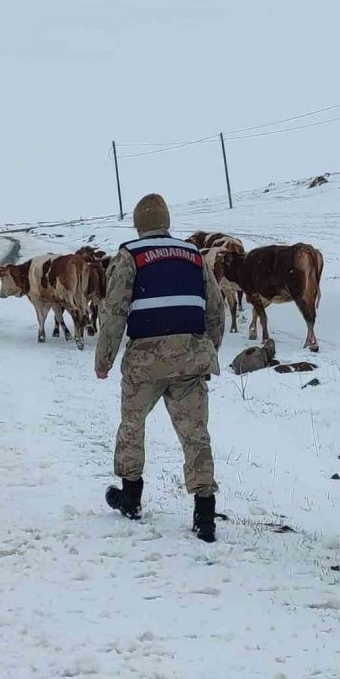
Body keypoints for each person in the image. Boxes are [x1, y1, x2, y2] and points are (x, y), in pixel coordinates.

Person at [95, 193, 226, 542]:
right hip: (190, 357)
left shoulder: (130, 256)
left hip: (145, 362)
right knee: (195, 434)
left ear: (139, 226)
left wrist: (103, 360)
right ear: (167, 222)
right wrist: (208, 348)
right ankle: (205, 513)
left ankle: (131, 497)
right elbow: (216, 310)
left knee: (132, 426)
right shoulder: (195, 255)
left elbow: (114, 313)